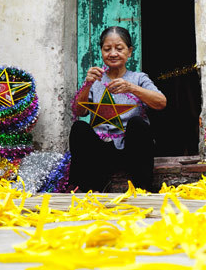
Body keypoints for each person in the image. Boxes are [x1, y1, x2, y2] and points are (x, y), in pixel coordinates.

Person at [69, 26, 166, 192]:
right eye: (107, 49)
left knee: (138, 124)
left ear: (129, 52)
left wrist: (132, 88)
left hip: (131, 150)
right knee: (78, 128)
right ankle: (87, 190)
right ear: (101, 51)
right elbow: (79, 112)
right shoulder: (95, 79)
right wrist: (87, 85)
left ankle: (142, 188)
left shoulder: (138, 78)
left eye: (119, 48)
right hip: (101, 150)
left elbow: (161, 102)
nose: (113, 53)